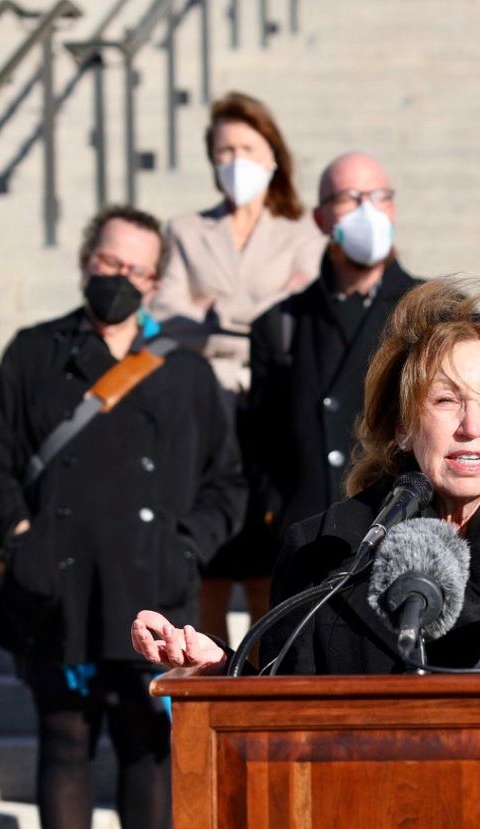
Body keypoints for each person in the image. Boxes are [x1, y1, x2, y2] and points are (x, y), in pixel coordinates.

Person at [0, 205, 246, 829]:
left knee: (148, 752)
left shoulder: (184, 371)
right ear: (88, 261)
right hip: (57, 590)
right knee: (65, 744)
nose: (123, 281)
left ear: (157, 280)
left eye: (139, 271)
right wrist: (19, 531)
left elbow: (228, 481)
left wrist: (188, 545)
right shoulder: (34, 354)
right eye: (111, 265)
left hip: (156, 594)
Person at [134, 277, 480, 676]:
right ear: (401, 427)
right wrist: (221, 670)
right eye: (445, 400)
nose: (472, 426)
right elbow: (284, 720)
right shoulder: (324, 554)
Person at [151, 91, 324, 643]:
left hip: (273, 411)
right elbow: (166, 314)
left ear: (273, 155)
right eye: (224, 150)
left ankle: (258, 670)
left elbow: (301, 314)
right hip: (207, 409)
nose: (235, 161)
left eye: (247, 147)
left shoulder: (303, 234)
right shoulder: (184, 231)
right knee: (211, 559)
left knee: (264, 562)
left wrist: (213, 310)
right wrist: (256, 312)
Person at [242, 151, 423, 543]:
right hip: (313, 542)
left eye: (379, 197)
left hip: (404, 537)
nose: (367, 212)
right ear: (321, 219)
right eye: (350, 198)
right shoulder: (280, 323)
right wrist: (278, 510)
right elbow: (260, 441)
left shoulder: (432, 311)